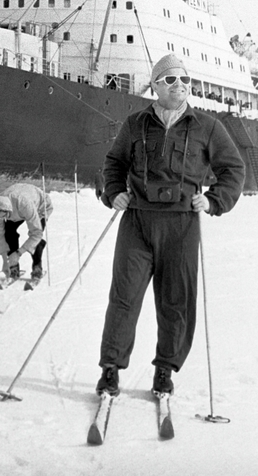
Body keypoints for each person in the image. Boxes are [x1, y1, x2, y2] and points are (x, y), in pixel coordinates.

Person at [95, 53, 245, 398]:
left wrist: (213, 199)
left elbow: (233, 169)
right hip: (138, 221)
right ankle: (110, 369)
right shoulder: (135, 123)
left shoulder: (207, 126)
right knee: (124, 296)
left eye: (185, 80)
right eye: (171, 80)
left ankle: (165, 369)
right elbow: (114, 163)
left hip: (181, 224)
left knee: (176, 300)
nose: (180, 86)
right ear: (156, 86)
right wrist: (114, 192)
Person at [0, 182, 53, 281]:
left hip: (39, 205)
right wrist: (5, 260)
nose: (1, 219)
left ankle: (37, 268)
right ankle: (13, 268)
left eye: (3, 216)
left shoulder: (25, 204)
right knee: (8, 234)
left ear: (8, 211)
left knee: (36, 240)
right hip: (16, 207)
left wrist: (18, 253)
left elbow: (36, 233)